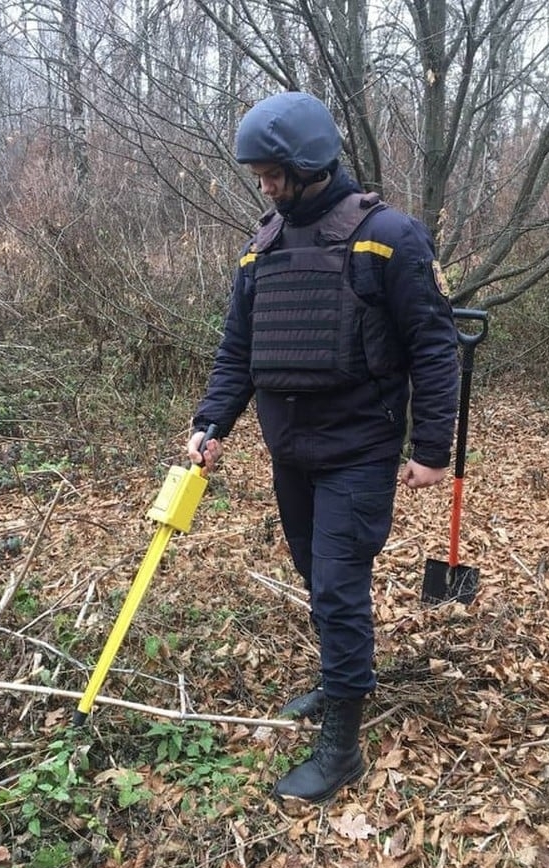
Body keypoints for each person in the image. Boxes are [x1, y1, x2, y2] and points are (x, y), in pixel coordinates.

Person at [187, 91, 461, 803]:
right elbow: (238, 349)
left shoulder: (389, 238)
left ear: (310, 163)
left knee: (338, 587)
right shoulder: (263, 246)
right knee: (318, 576)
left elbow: (434, 348)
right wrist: (212, 423)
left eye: (274, 172)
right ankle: (341, 675)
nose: (266, 185)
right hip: (291, 453)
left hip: (359, 451)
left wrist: (432, 448)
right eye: (259, 174)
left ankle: (341, 747)